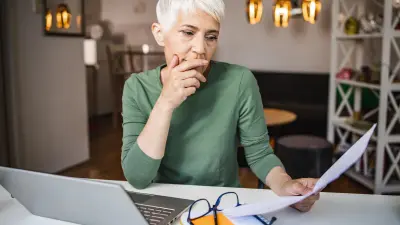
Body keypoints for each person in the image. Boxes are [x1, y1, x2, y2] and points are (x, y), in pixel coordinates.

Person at [121, 0, 320, 212]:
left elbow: (260, 154)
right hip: (164, 205)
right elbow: (137, 177)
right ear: (159, 33)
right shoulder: (137, 87)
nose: (200, 49)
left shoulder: (240, 81)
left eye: (211, 37)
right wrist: (166, 103)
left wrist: (285, 185)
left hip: (223, 205)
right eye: (188, 32)